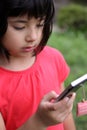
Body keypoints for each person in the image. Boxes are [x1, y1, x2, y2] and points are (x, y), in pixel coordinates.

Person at [0, 0, 76, 130]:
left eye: (40, 24)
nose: (33, 37)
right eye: (20, 27)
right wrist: (40, 121)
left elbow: (65, 116)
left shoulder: (53, 57)